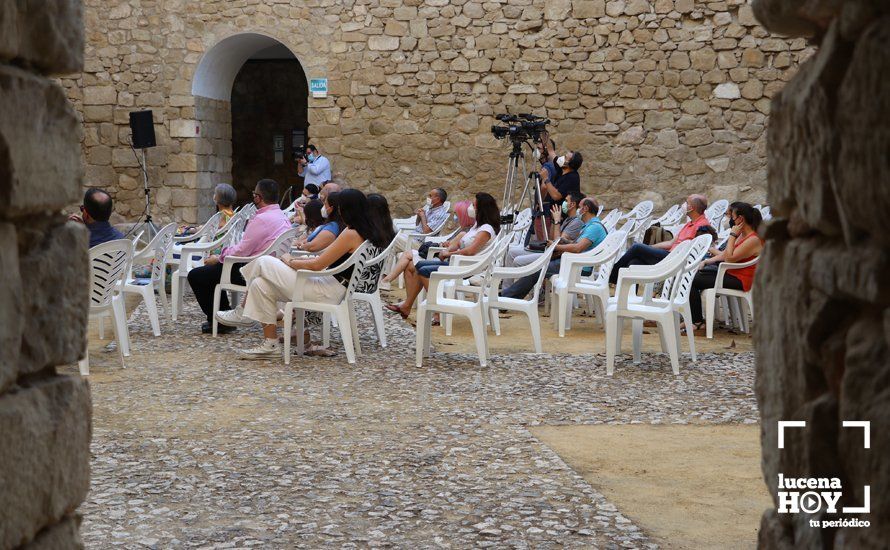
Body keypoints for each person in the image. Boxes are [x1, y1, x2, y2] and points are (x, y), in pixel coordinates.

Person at [232, 189, 394, 359]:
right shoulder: (363, 231)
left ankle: (242, 310)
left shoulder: (350, 233)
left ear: (345, 209)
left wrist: (290, 261)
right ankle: (270, 344)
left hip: (326, 290)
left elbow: (317, 265)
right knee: (260, 285)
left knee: (263, 261)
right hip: (330, 285)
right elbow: (325, 261)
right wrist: (297, 263)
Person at [187, 179, 291, 334]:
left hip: (249, 270)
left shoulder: (261, 219)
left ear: (258, 198)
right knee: (212, 272)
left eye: (254, 194)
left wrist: (221, 256)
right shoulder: (281, 216)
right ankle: (223, 314)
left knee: (196, 275)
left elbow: (242, 250)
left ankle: (221, 320)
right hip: (268, 266)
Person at [385, 192, 501, 320]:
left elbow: (470, 251)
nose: (471, 208)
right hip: (459, 262)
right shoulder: (477, 226)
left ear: (482, 209)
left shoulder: (486, 229)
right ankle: (408, 305)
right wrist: (452, 246)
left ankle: (437, 311)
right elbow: (463, 244)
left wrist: (448, 253)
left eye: (474, 205)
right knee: (416, 265)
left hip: (466, 267)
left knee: (422, 269)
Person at [500, 196, 607, 299]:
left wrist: (556, 246)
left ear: (585, 208)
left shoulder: (594, 227)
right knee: (536, 269)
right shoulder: (589, 226)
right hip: (571, 262)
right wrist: (562, 242)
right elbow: (577, 244)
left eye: (579, 207)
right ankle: (507, 296)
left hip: (577, 266)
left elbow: (577, 248)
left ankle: (506, 297)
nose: (578, 210)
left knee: (536, 270)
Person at [687, 202, 763, 331]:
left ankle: (697, 322)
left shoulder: (753, 239)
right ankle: (693, 319)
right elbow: (724, 255)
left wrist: (732, 235)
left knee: (691, 281)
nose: (730, 219)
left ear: (740, 219)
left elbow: (729, 258)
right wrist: (707, 262)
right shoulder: (743, 235)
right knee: (691, 274)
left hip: (740, 279)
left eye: (731, 216)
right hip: (730, 273)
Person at [609, 194, 710, 284]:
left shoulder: (703, 226)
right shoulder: (689, 223)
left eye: (686, 203)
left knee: (636, 247)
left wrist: (643, 249)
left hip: (676, 260)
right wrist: (650, 248)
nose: (683, 205)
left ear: (692, 208)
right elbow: (671, 243)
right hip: (669, 256)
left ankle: (611, 277)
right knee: (634, 262)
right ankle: (630, 299)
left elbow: (696, 252)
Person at [381, 197, 473, 287]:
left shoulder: (442, 216)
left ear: (438, 199)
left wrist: (423, 216)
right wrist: (419, 216)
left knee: (393, 240)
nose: (455, 216)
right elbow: (417, 225)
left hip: (431, 248)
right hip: (436, 247)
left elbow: (427, 231)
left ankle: (386, 280)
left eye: (431, 196)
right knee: (392, 247)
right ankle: (385, 279)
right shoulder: (461, 228)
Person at [505, 190, 585, 275]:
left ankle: (520, 287)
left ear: (572, 204)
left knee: (518, 261)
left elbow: (557, 242)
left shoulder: (576, 222)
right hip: (548, 251)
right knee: (511, 253)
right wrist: (554, 221)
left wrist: (557, 221)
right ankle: (506, 287)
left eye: (566, 201)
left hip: (554, 256)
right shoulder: (568, 219)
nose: (563, 203)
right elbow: (550, 238)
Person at [540, 150, 583, 217]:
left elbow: (556, 196)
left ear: (570, 164)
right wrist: (545, 140)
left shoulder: (572, 177)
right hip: (555, 213)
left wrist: (546, 179)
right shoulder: (562, 169)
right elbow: (551, 151)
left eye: (565, 158)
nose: (562, 158)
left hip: (564, 216)